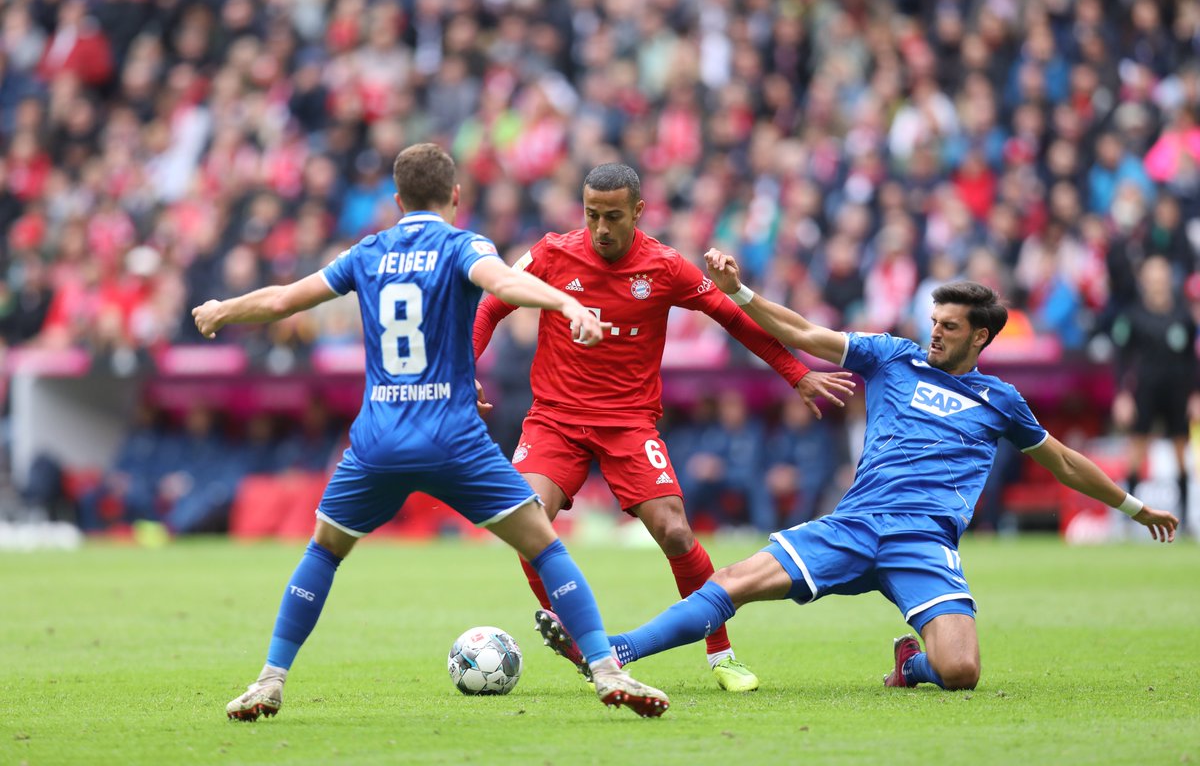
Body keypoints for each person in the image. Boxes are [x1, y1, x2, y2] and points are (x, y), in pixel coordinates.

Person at [537, 249, 1178, 693]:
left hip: (924, 541)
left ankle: (912, 666)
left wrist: (1133, 506)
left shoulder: (1000, 401)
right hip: (858, 523)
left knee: (960, 674)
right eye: (933, 321)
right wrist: (740, 293)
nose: (934, 334)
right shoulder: (893, 357)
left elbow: (1062, 460)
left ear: (980, 339)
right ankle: (616, 649)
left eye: (949, 328)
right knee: (734, 579)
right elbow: (807, 333)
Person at [193, 143, 669, 721]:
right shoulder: (462, 245)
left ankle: (270, 679)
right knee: (544, 545)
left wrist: (222, 309)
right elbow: (506, 286)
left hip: (378, 441)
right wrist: (569, 306)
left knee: (324, 551)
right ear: (456, 196)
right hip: (452, 438)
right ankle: (604, 667)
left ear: (396, 200)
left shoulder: (366, 252)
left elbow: (283, 300)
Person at [473, 163, 855, 692]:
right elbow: (490, 305)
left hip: (629, 422)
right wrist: (462, 368)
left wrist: (796, 374)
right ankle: (578, 639)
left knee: (674, 530)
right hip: (556, 419)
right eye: (591, 215)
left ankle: (720, 653)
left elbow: (734, 317)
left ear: (637, 212)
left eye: (612, 216)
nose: (601, 228)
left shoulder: (665, 266)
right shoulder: (552, 253)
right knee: (527, 519)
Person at [1111, 255, 1199, 535]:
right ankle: (1127, 518)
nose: (1157, 283)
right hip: (1145, 392)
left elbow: (1191, 360)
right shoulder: (1133, 316)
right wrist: (1122, 395)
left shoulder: (1182, 316)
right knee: (1137, 450)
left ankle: (1184, 517)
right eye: (1152, 277)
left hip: (1177, 392)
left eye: (1161, 276)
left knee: (1180, 450)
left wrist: (1195, 395)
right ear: (1144, 281)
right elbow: (1122, 358)